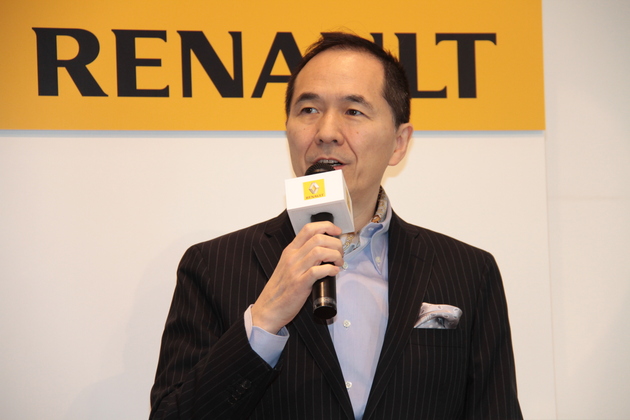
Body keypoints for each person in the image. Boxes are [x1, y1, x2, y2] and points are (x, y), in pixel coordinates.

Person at [149, 32, 522, 420]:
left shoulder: (468, 272)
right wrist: (264, 319)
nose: (326, 132)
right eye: (308, 109)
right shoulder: (213, 267)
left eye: (353, 111)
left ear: (399, 142)